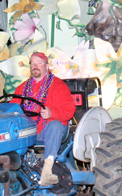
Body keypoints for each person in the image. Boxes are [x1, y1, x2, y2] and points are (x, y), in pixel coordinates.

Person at [12, 52, 76, 187]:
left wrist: (52, 113)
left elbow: (69, 110)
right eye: (32, 64)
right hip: (28, 130)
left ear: (46, 66)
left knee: (55, 124)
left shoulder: (59, 85)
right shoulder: (22, 88)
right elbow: (12, 109)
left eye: (39, 63)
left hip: (48, 130)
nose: (35, 66)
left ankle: (47, 170)